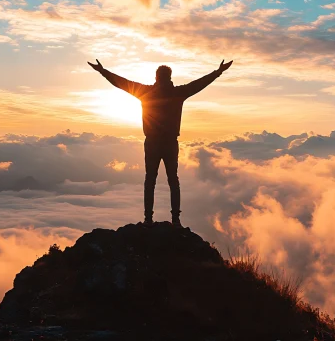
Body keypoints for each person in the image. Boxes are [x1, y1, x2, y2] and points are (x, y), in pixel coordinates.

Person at [88, 59, 233, 227]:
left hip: (152, 143)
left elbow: (121, 83)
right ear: (170, 77)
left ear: (156, 77)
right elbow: (200, 84)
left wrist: (102, 70)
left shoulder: (145, 92)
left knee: (150, 180)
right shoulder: (178, 93)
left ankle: (148, 219)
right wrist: (218, 71)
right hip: (170, 143)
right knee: (173, 180)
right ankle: (175, 220)